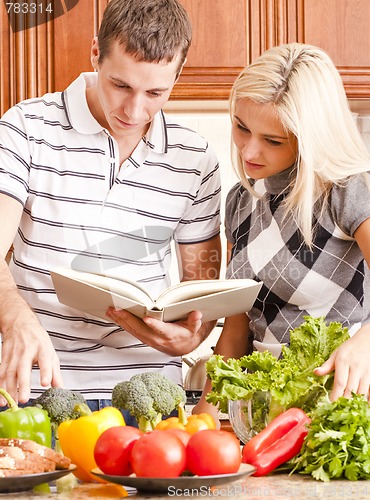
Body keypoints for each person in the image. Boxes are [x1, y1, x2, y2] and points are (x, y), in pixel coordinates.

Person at [0, 0, 222, 417]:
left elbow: (203, 283)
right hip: (36, 386)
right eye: (121, 85)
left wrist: (193, 336)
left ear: (179, 72)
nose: (134, 111)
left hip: (149, 397)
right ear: (95, 54)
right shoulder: (25, 129)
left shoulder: (196, 159)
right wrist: (14, 318)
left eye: (155, 92)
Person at [194, 42, 370, 421]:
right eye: (242, 128)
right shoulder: (240, 202)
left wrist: (367, 342)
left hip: (340, 411)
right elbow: (236, 332)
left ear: (310, 137)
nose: (249, 152)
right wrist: (200, 423)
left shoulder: (349, 191)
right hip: (263, 415)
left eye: (272, 140)